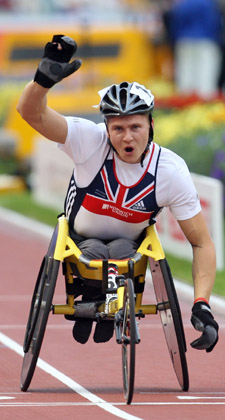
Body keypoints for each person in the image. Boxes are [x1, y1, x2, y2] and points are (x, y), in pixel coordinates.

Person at [17, 34, 219, 350]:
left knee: (124, 250)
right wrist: (42, 82)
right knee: (95, 249)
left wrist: (201, 303)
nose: (127, 137)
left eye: (135, 127)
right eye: (118, 128)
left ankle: (110, 301)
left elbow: (202, 242)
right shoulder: (89, 140)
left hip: (131, 250)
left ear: (151, 124)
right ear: (106, 128)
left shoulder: (169, 170)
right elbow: (32, 114)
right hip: (79, 244)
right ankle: (93, 296)